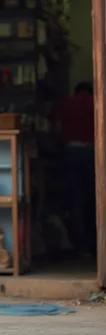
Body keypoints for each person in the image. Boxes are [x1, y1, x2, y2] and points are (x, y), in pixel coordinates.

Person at [53, 81, 96, 257]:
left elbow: (56, 128)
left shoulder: (66, 103)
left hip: (71, 152)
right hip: (93, 154)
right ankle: (97, 247)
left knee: (76, 201)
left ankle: (82, 247)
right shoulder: (96, 102)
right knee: (95, 200)